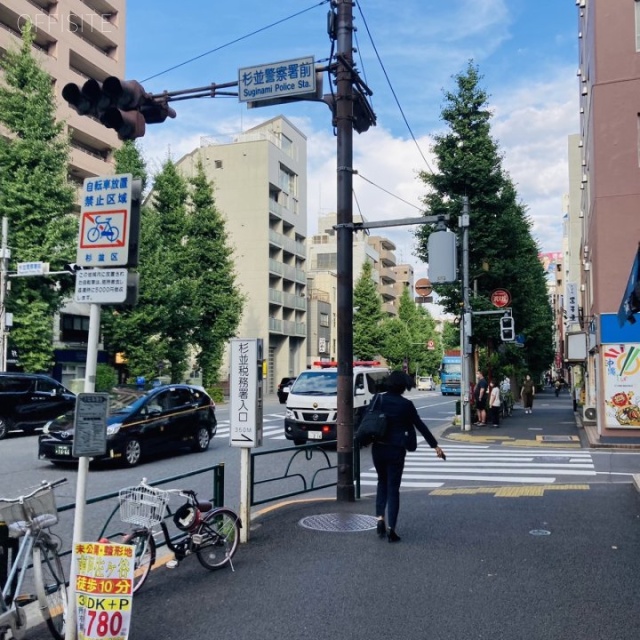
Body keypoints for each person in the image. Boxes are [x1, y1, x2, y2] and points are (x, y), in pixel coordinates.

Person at [372, 370, 445, 543]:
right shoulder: (406, 405)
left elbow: (367, 419)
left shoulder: (379, 399)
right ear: (402, 387)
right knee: (393, 488)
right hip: (396, 450)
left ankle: (380, 519)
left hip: (378, 449)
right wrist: (435, 446)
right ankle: (392, 529)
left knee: (381, 482)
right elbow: (420, 426)